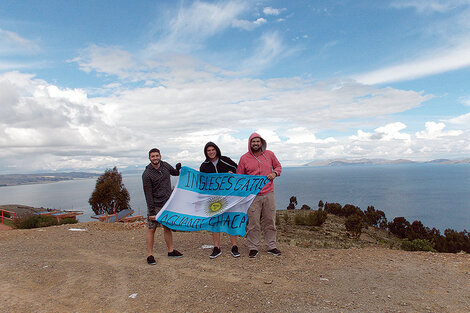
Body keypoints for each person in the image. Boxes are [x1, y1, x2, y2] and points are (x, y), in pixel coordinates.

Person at [236, 133, 282, 258]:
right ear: (249, 143)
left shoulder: (270, 154)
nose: (255, 143)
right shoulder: (244, 158)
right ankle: (253, 247)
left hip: (268, 193)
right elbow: (240, 176)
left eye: (257, 141)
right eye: (253, 141)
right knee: (253, 222)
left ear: (261, 142)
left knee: (270, 220)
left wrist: (275, 173)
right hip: (252, 196)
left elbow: (278, 166)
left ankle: (271, 246)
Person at [200, 142, 240, 259]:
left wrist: (232, 174)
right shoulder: (204, 166)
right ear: (206, 152)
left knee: (230, 220)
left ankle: (234, 246)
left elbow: (238, 170)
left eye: (213, 149)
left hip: (229, 196)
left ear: (216, 150)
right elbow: (202, 182)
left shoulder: (225, 160)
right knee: (216, 222)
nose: (211, 152)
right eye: (208, 150)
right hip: (214, 198)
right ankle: (216, 247)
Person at [142, 148, 183, 265]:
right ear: (149, 158)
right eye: (152, 156)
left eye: (157, 155)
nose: (155, 158)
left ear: (160, 156)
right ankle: (150, 255)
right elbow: (147, 194)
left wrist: (178, 168)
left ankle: (170, 251)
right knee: (151, 229)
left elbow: (175, 173)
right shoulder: (147, 174)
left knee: (167, 228)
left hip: (167, 203)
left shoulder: (165, 166)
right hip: (155, 205)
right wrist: (151, 212)